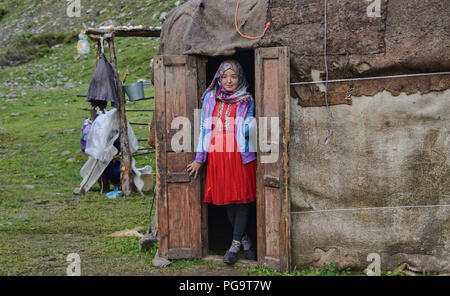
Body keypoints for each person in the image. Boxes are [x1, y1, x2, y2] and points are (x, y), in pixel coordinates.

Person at [186, 60, 257, 265]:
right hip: (218, 154)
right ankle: (245, 241)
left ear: (240, 78)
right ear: (219, 77)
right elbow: (204, 129)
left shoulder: (246, 99)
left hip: (239, 155)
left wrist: (250, 125)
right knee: (226, 199)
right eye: (225, 76)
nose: (229, 81)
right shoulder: (210, 97)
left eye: (233, 77)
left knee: (242, 200)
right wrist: (200, 159)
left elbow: (248, 125)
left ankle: (234, 245)